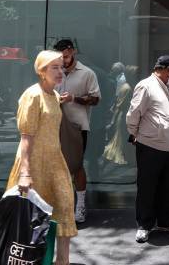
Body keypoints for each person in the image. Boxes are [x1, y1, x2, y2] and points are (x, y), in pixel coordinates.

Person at [0, 50, 77, 265]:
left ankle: (62, 261)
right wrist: (25, 173)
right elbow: (25, 138)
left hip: (54, 162)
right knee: (18, 214)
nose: (60, 71)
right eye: (54, 67)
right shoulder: (32, 95)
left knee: (64, 207)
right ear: (41, 71)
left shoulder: (52, 96)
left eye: (62, 67)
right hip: (32, 164)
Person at [127, 55, 169, 243]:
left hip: (166, 147)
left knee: (166, 186)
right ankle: (144, 224)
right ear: (167, 69)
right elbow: (134, 113)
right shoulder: (146, 85)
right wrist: (135, 134)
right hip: (150, 144)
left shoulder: (163, 87)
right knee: (147, 187)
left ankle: (166, 221)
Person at [53, 39, 101, 224]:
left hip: (76, 126)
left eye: (65, 56)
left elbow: (95, 99)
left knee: (76, 165)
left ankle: (80, 205)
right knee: (55, 166)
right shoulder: (53, 70)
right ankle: (60, 206)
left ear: (72, 51)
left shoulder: (87, 73)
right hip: (54, 124)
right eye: (59, 57)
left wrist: (73, 98)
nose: (62, 60)